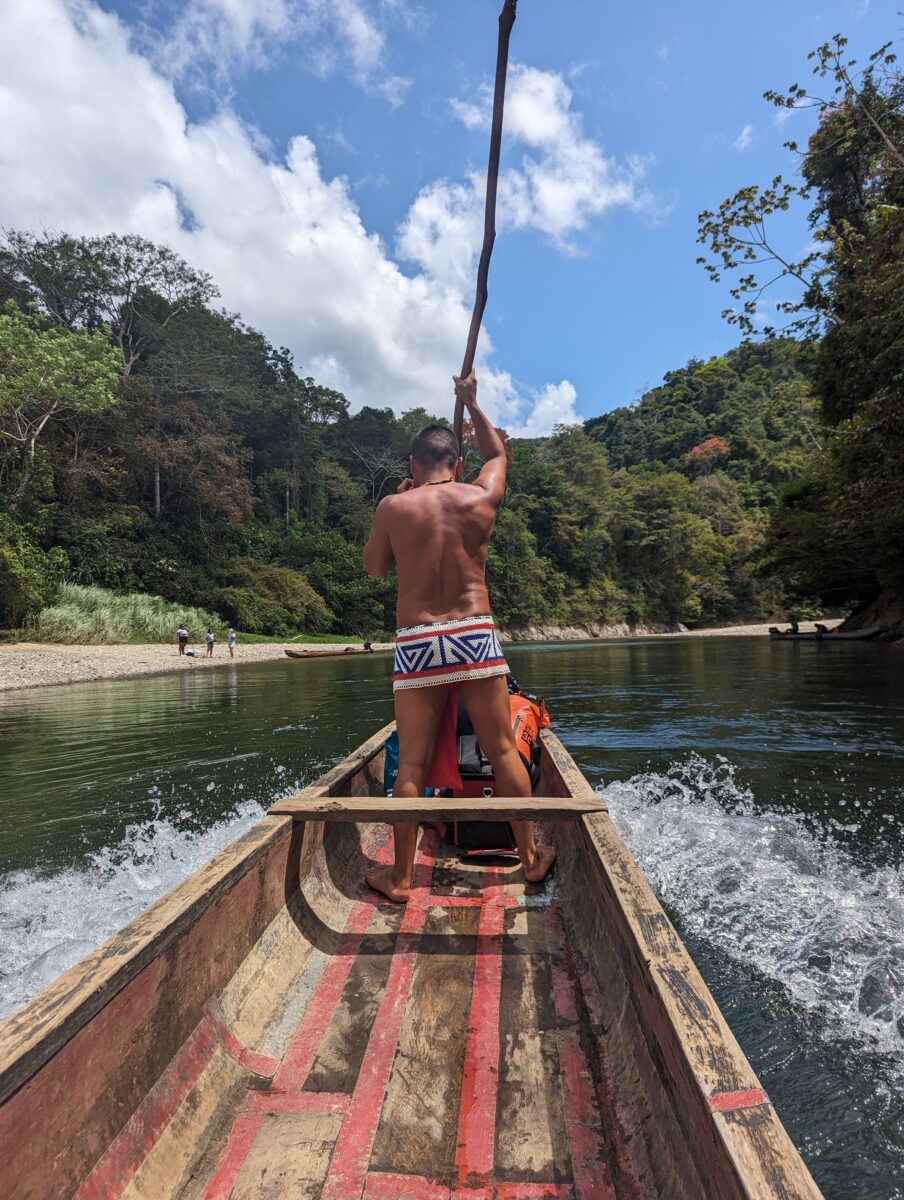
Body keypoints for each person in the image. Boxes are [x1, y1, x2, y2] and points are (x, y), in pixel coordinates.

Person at [362, 369, 555, 903]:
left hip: (420, 642)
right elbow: (500, 457)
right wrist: (472, 404)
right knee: (500, 749)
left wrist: (398, 506)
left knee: (415, 764)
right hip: (473, 633)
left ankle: (400, 879)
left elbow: (375, 568)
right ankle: (531, 859)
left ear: (412, 466)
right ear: (458, 465)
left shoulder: (394, 507)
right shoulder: (479, 496)